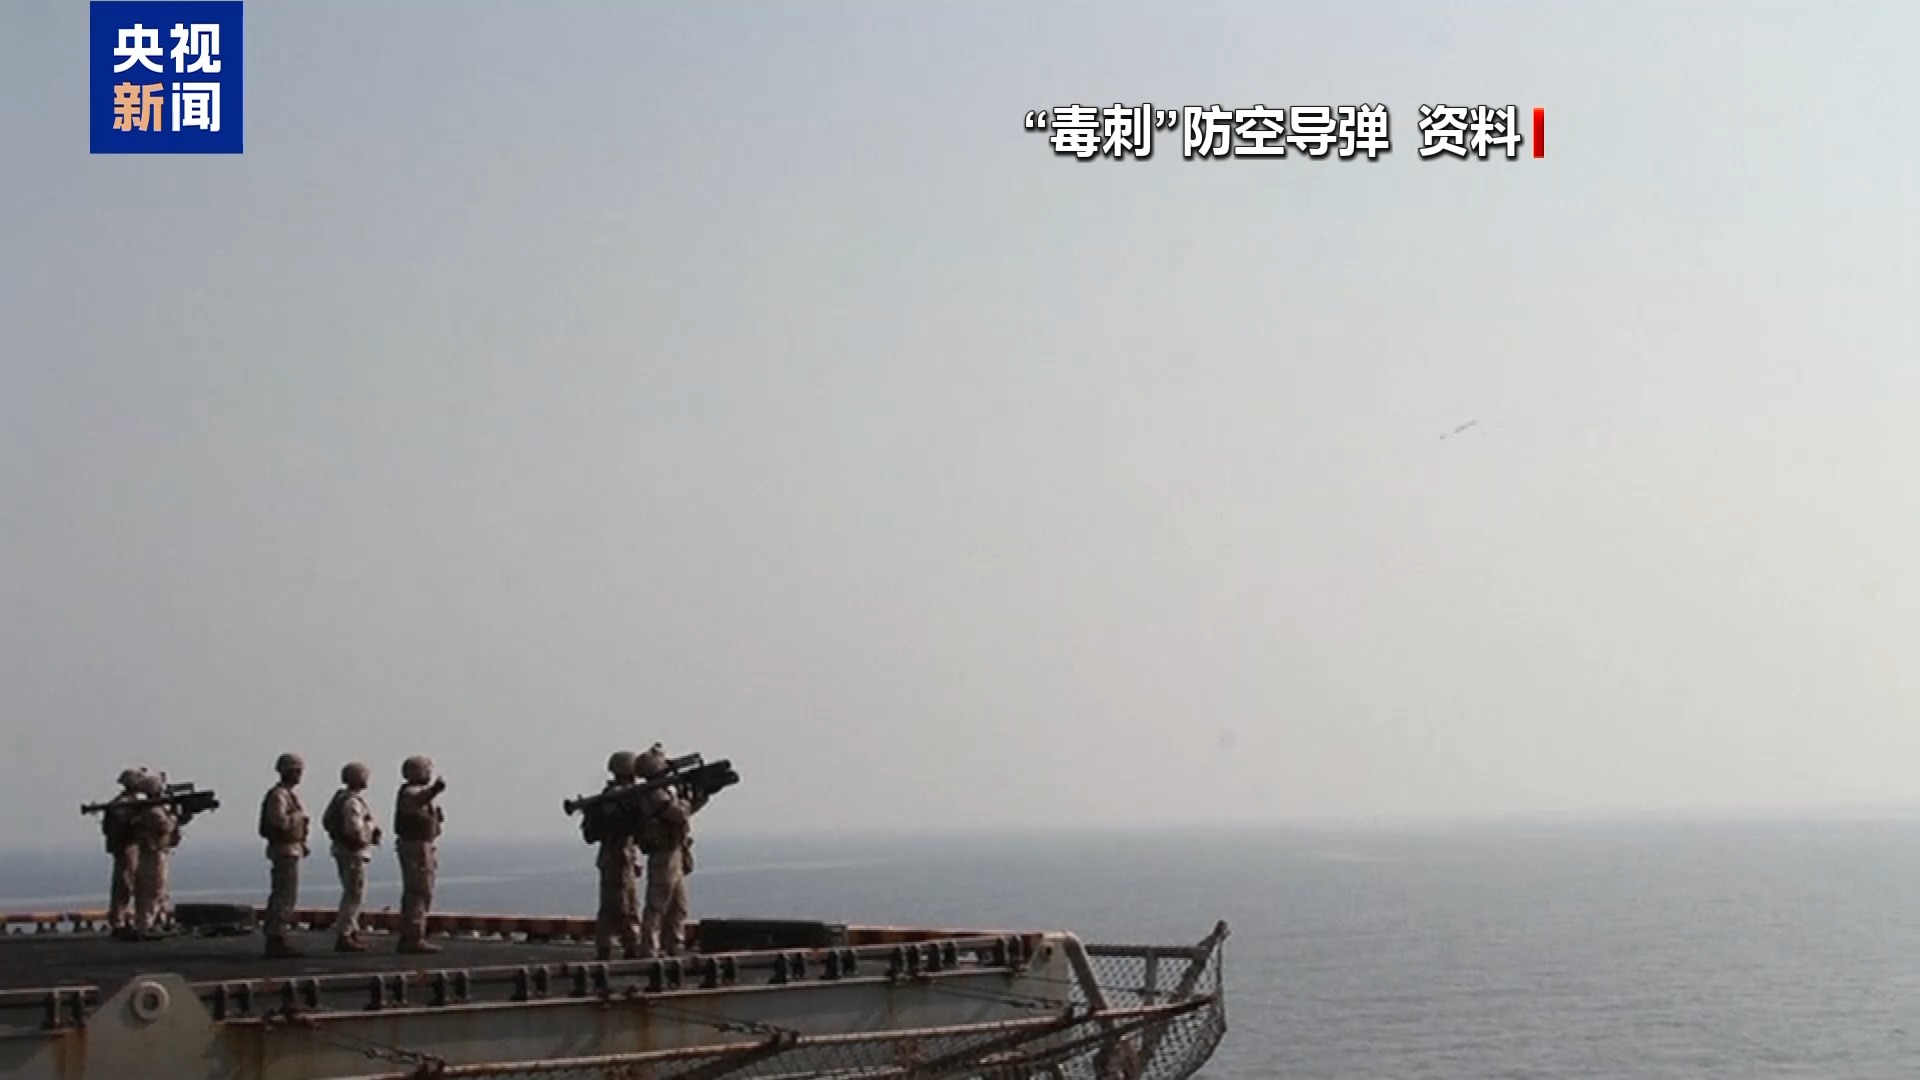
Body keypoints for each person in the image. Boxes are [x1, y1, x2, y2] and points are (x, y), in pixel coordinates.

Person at [635, 744, 709, 958]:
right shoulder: (655, 795)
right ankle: (649, 947)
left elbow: (683, 814)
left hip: (674, 851)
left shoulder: (662, 791)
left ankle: (674, 944)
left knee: (678, 906)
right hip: (664, 854)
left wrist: (698, 798)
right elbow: (678, 814)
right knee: (657, 903)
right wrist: (687, 799)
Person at [586, 750, 642, 961]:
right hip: (619, 855)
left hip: (614, 855)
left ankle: (608, 946)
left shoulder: (609, 796)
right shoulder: (620, 798)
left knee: (613, 904)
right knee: (624, 905)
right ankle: (629, 945)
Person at [322, 761, 381, 952]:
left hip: (343, 850)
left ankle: (352, 931)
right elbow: (354, 828)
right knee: (355, 893)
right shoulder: (352, 802)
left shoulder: (342, 798)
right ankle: (345, 934)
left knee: (352, 891)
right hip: (353, 852)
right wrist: (368, 834)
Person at [257, 752, 311, 958]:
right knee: (284, 894)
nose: (299, 775)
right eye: (295, 771)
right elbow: (278, 822)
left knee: (286, 893)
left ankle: (278, 933)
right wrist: (298, 819)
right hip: (284, 849)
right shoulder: (279, 796)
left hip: (290, 848)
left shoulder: (286, 795)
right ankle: (276, 935)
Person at [393, 755, 446, 954]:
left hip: (422, 844)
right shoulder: (411, 793)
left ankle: (414, 933)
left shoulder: (417, 794)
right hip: (416, 846)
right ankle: (413, 936)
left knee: (421, 891)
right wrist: (435, 790)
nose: (429, 774)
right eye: (426, 770)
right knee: (418, 890)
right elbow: (417, 801)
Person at [127, 773, 178, 939]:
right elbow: (166, 827)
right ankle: (146, 925)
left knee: (156, 890)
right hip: (154, 853)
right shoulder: (154, 811)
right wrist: (174, 815)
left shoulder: (149, 810)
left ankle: (156, 921)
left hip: (153, 852)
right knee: (153, 889)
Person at [102, 767, 147, 939]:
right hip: (127, 846)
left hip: (131, 845)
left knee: (133, 883)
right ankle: (119, 921)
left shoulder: (130, 802)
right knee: (125, 884)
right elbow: (120, 827)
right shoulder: (123, 804)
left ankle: (125, 919)